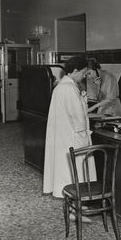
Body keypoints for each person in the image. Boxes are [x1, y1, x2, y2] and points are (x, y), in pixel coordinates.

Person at [43, 56, 96, 199]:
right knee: (75, 171)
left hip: (62, 136)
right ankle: (75, 205)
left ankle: (71, 203)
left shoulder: (60, 87)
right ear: (75, 71)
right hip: (72, 137)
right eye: (83, 73)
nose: (84, 76)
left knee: (65, 171)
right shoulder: (70, 88)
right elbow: (78, 119)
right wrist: (85, 136)